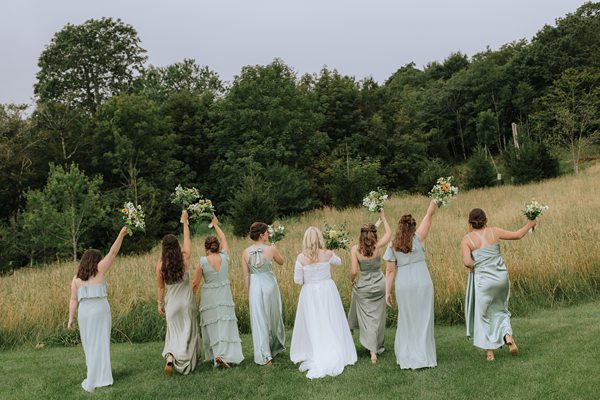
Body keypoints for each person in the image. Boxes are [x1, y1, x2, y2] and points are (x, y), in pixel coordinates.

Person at [461, 208, 537, 361]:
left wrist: (475, 266)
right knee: (501, 309)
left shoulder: (467, 239)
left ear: (470, 223)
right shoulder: (494, 231)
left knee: (484, 315)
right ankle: (507, 336)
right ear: (485, 220)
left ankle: (490, 352)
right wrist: (531, 223)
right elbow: (517, 235)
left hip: (484, 281)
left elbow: (467, 262)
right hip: (501, 278)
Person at [290, 227, 357, 379]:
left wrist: (310, 277)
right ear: (320, 238)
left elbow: (297, 280)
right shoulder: (327, 254)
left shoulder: (300, 258)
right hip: (327, 290)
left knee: (315, 322)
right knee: (331, 319)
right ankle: (336, 348)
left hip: (310, 294)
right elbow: (339, 262)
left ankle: (317, 349)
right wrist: (329, 252)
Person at [67, 226, 128, 392]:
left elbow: (73, 300)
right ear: (96, 261)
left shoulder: (76, 279)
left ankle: (95, 374)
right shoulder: (100, 270)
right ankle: (102, 377)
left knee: (89, 344)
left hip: (84, 313)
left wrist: (70, 319)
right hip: (100, 310)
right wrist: (121, 234)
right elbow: (113, 252)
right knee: (101, 343)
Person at [383, 200, 438, 369]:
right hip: (423, 281)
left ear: (399, 227)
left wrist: (387, 292)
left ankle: (408, 356)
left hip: (404, 284)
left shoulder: (393, 246)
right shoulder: (419, 238)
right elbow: (429, 215)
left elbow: (390, 271)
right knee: (424, 319)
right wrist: (435, 200)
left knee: (407, 319)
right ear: (413, 227)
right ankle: (424, 355)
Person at [192, 215, 244, 368]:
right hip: (224, 294)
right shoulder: (225, 256)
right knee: (225, 323)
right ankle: (225, 355)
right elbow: (224, 238)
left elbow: (195, 283)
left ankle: (218, 355)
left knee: (213, 325)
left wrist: (190, 297)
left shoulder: (202, 261)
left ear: (206, 248)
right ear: (218, 246)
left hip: (209, 297)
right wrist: (215, 224)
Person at [156, 210, 200, 375]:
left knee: (173, 333)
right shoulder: (185, 258)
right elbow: (187, 239)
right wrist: (185, 222)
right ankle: (185, 361)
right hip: (186, 302)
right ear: (176, 245)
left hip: (172, 304)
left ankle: (170, 356)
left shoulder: (160, 264)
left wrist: (160, 304)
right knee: (187, 331)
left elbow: (160, 287)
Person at [347, 210, 392, 364]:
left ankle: (372, 351)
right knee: (377, 318)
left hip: (365, 286)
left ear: (361, 234)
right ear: (373, 234)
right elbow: (389, 233)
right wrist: (383, 217)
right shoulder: (378, 246)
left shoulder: (355, 249)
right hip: (380, 285)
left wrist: (352, 281)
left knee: (368, 318)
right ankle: (376, 347)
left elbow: (354, 271)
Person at [241, 222, 286, 366]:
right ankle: (274, 348)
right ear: (261, 234)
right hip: (269, 285)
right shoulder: (271, 249)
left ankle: (266, 356)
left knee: (259, 320)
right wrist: (275, 249)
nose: (268, 234)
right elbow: (282, 262)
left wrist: (248, 292)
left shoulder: (245, 252)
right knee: (273, 317)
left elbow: (246, 276)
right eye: (267, 232)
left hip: (255, 286)